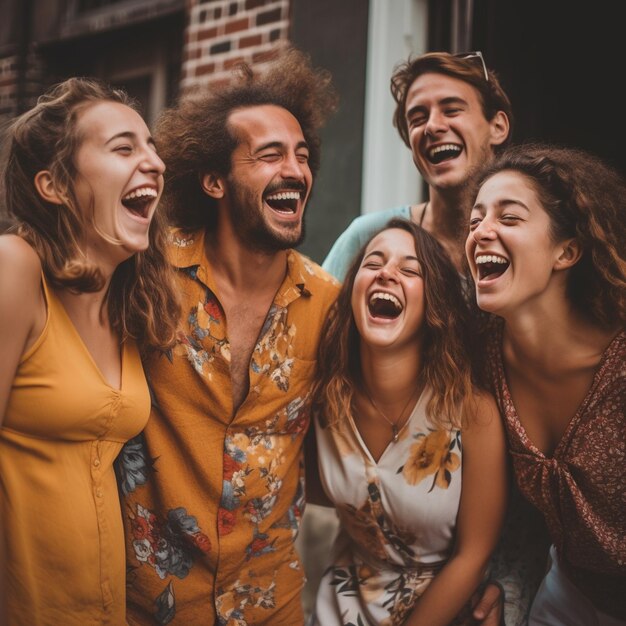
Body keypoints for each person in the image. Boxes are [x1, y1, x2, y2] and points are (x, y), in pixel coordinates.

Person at [115, 48, 340, 625]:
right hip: (145, 603)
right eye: (269, 156)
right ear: (213, 180)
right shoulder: (145, 274)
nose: (295, 170)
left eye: (302, 155)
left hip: (272, 603)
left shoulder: (330, 303)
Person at [0, 78, 180, 624]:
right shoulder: (15, 266)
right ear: (54, 185)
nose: (155, 163)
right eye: (124, 148)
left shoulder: (130, 301)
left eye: (151, 147)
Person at [309, 218, 507, 625]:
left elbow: (474, 555)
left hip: (442, 610)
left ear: (433, 302)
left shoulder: (472, 412)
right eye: (373, 263)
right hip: (336, 607)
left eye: (409, 269)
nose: (386, 273)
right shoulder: (325, 397)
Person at [465, 143, 626, 625]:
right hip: (568, 593)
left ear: (567, 250)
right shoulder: (481, 354)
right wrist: (504, 580)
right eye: (474, 221)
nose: (481, 232)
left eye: (509, 218)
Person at [323, 50, 512, 278]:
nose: (432, 126)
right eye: (418, 119)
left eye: (452, 110)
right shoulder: (367, 237)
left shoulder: (525, 240)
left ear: (497, 127)